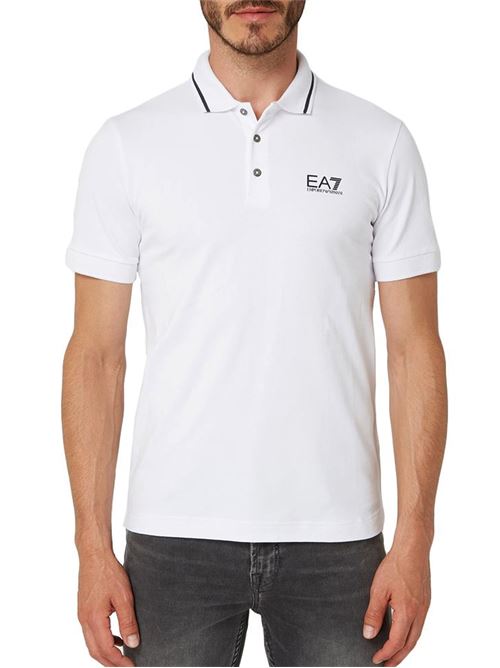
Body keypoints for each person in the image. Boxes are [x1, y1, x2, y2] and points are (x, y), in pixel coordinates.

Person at [61, 1, 448, 666]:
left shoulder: (379, 142)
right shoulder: (127, 145)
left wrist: (416, 540)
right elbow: (95, 357)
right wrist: (91, 548)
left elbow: (416, 350)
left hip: (338, 541)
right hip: (173, 538)